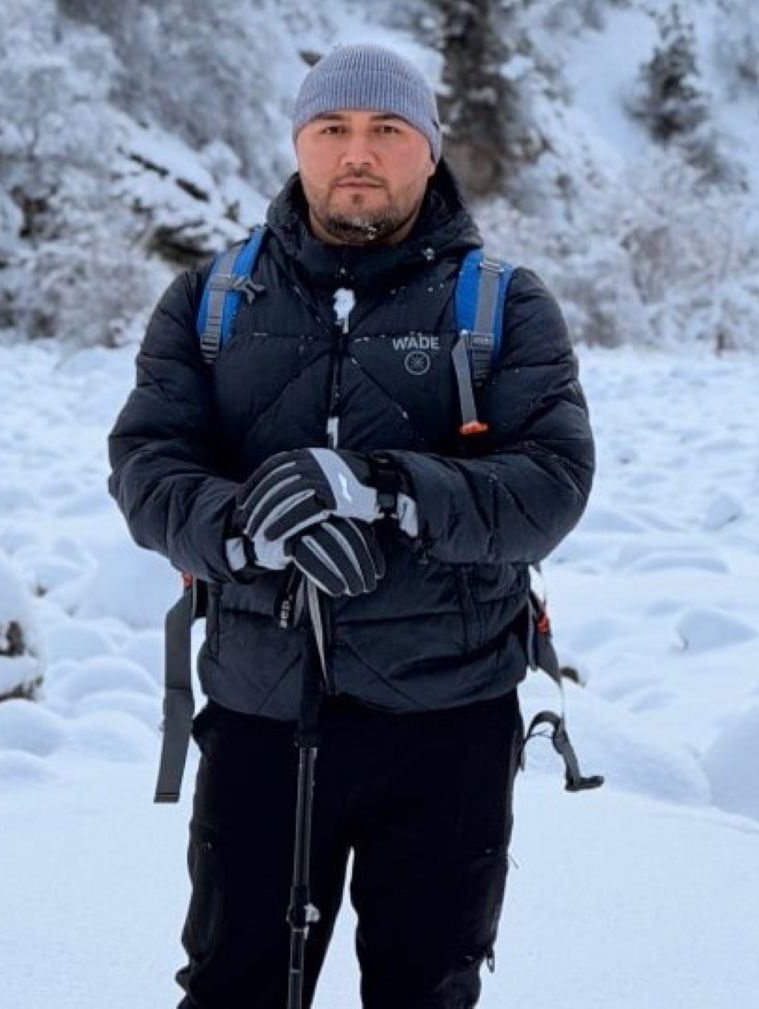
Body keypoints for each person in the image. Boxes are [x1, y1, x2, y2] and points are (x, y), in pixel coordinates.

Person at [106, 43, 595, 1009]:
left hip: (448, 718)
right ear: (300, 144)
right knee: (234, 987)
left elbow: (551, 483)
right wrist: (246, 527)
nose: (357, 153)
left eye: (386, 130)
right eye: (333, 128)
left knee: (425, 991)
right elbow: (147, 466)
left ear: (429, 150)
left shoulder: (501, 305)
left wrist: (382, 487)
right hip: (260, 709)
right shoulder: (213, 300)